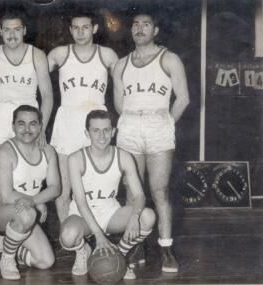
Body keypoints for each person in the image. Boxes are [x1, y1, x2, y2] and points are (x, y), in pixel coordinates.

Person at [113, 10, 190, 273]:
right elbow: (119, 102)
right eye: (135, 24)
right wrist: (132, 121)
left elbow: (183, 98)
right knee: (132, 192)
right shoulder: (121, 64)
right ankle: (134, 244)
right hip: (130, 126)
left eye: (146, 25)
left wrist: (167, 122)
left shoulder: (169, 59)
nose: (140, 29)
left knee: (159, 191)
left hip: (159, 126)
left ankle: (166, 249)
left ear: (155, 31)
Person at [59, 110, 155, 280]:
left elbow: (139, 195)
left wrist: (135, 216)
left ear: (113, 131)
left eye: (106, 130)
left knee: (147, 217)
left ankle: (120, 254)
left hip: (110, 212)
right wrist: (99, 236)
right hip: (82, 214)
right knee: (67, 236)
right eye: (95, 130)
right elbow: (81, 203)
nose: (101, 136)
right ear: (86, 133)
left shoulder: (124, 157)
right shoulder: (76, 158)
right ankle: (83, 251)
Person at [47, 10, 118, 223]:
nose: (80, 32)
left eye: (85, 27)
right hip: (67, 122)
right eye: (75, 28)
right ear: (70, 30)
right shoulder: (59, 54)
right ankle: (67, 236)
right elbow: (32, 73)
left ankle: (93, 231)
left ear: (94, 28)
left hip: (97, 123)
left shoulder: (107, 55)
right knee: (64, 185)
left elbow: (127, 83)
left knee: (94, 183)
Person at [0, 105, 60, 280]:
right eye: (21, 124)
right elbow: (6, 196)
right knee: (27, 214)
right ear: (13, 126)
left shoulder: (49, 151)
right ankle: (7, 259)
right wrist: (36, 202)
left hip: (25, 209)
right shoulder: (5, 151)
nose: (27, 129)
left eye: (33, 124)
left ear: (40, 126)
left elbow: (55, 188)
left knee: (45, 261)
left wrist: (36, 200)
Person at [0, 11, 53, 189]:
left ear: (24, 30)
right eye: (7, 30)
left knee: (24, 178)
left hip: (27, 120)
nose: (12, 34)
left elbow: (48, 96)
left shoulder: (37, 55)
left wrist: (41, 129)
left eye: (17, 29)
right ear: (1, 32)